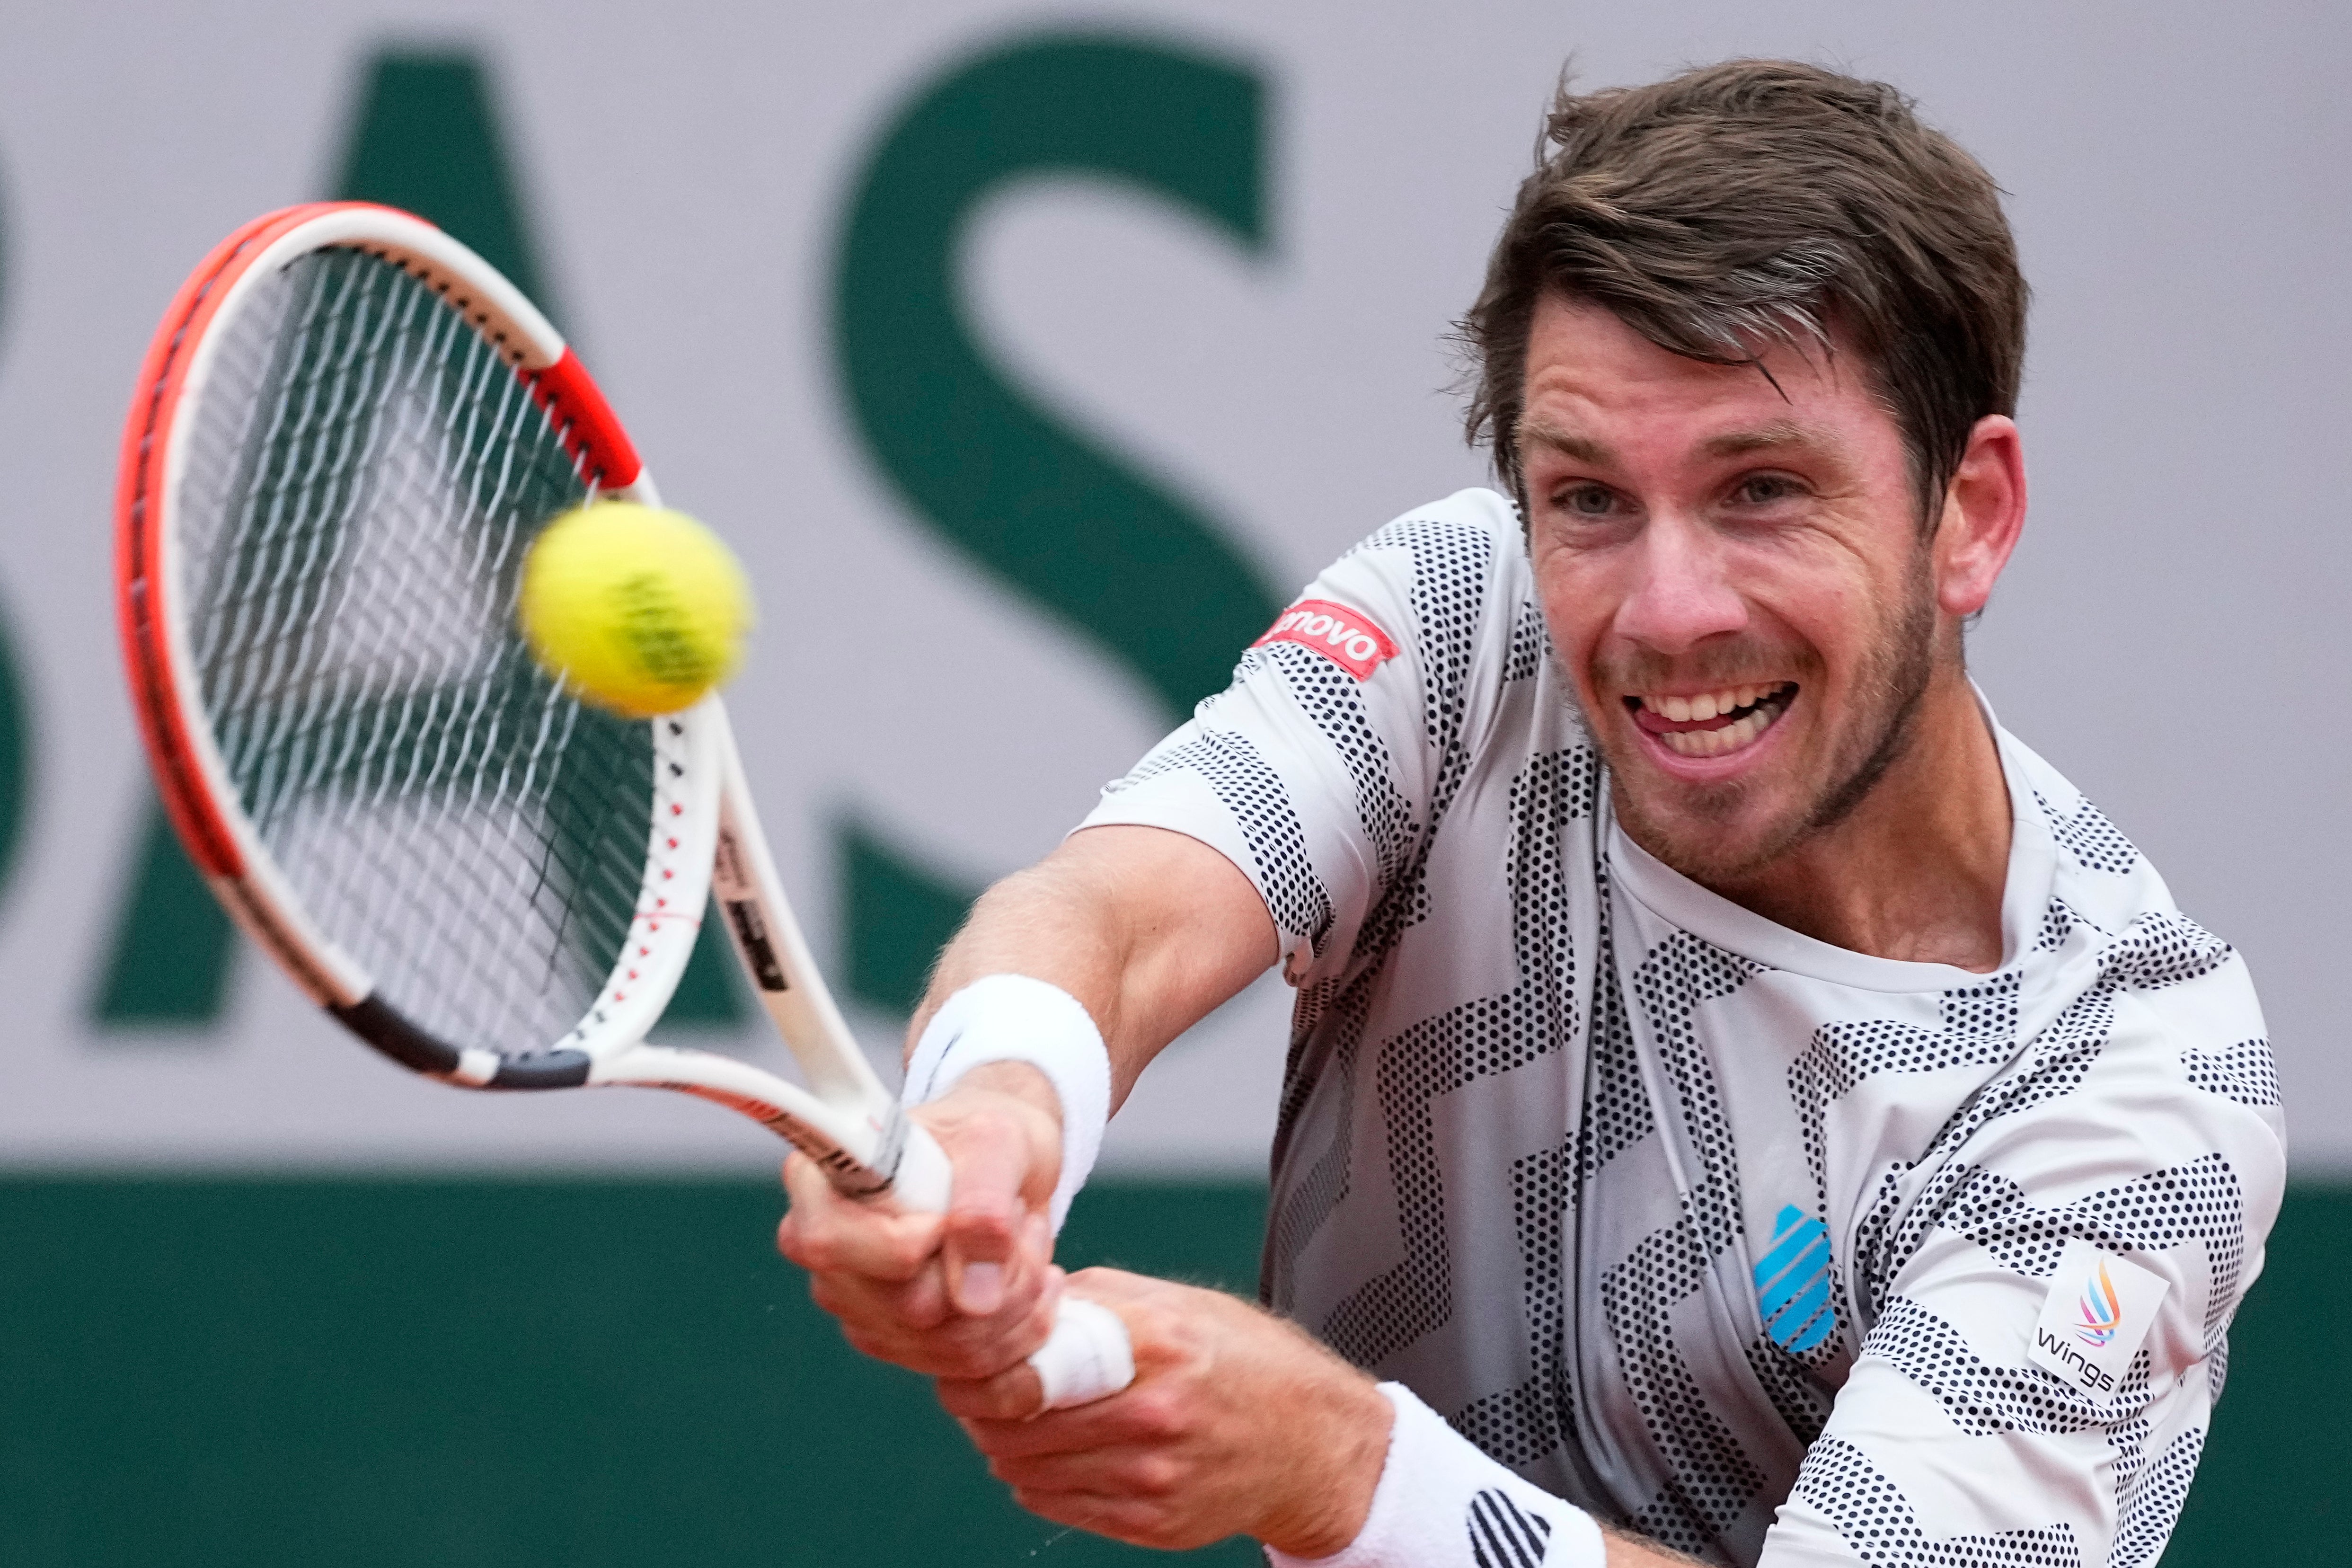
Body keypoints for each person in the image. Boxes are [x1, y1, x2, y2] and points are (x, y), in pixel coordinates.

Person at [778, 59, 2286, 1568]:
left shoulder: (2125, 1093)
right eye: (1585, 498)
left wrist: (1340, 1470)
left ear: (1968, 514)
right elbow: (1115, 917)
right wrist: (1000, 1100)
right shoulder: (1467, 623)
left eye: (1760, 489)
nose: (1666, 610)